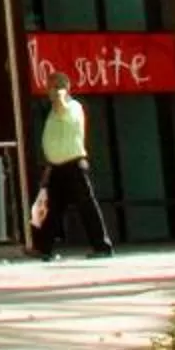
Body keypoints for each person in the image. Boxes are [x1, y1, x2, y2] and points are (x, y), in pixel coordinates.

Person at [32, 72, 115, 258]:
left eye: (53, 87)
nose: (48, 91)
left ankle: (102, 246)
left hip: (73, 165)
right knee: (50, 209)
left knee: (87, 206)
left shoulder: (72, 106)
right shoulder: (52, 111)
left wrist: (59, 93)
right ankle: (43, 248)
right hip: (56, 166)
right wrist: (48, 167)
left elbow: (62, 108)